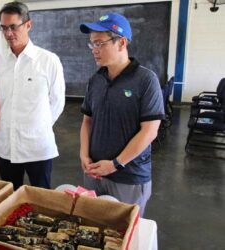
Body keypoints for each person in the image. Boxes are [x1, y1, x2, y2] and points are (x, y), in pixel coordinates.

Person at [79, 13, 165, 216]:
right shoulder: (96, 80)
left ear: (122, 42)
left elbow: (150, 131)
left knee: (124, 234)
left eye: (100, 43)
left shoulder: (146, 80)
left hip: (129, 177)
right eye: (92, 44)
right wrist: (84, 154)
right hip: (95, 173)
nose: (94, 50)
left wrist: (116, 164)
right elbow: (87, 121)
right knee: (94, 227)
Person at [0, 1, 65, 190]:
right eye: (4, 28)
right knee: (9, 198)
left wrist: (38, 126)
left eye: (13, 27)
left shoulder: (48, 60)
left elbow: (57, 102)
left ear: (28, 25)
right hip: (6, 146)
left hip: (37, 148)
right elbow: (1, 98)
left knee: (41, 201)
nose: (8, 33)